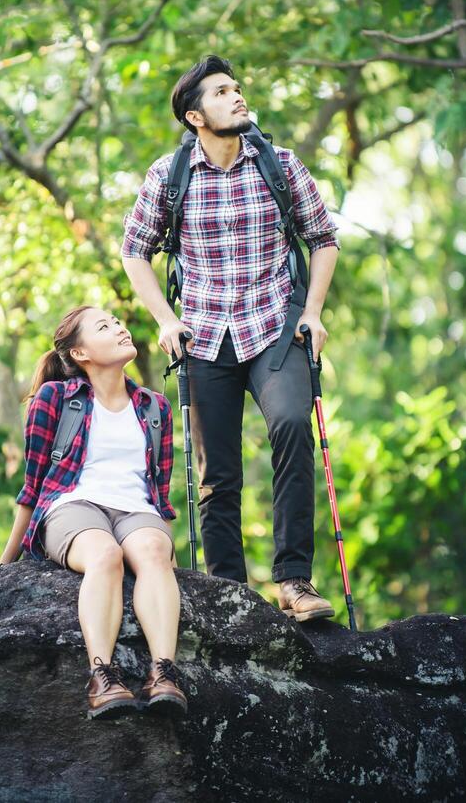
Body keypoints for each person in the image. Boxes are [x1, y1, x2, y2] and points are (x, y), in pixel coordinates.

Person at [121, 55, 340, 622]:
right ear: (196, 115)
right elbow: (134, 252)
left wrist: (312, 313)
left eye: (237, 88)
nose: (238, 96)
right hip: (204, 331)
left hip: (274, 322)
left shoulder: (281, 164)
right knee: (217, 473)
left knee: (292, 424)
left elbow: (324, 239)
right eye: (222, 92)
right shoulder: (169, 177)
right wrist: (166, 320)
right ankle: (231, 596)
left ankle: (294, 582)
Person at [0, 304, 187, 720]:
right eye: (104, 327)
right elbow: (32, 486)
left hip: (135, 509)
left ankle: (163, 673)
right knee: (106, 556)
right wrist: (4, 563)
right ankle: (103, 677)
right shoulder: (56, 399)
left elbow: (159, 492)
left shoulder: (155, 408)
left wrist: (165, 541)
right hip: (72, 506)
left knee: (154, 554)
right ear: (81, 353)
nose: (120, 328)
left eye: (117, 322)